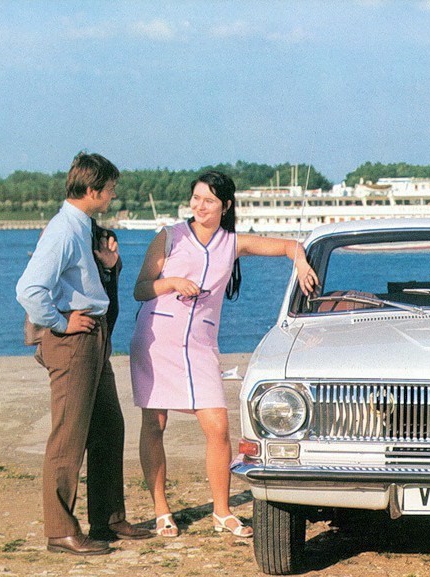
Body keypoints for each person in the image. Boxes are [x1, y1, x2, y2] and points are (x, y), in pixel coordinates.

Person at [130, 170, 318, 538]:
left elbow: (289, 245)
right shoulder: (169, 236)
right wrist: (171, 283)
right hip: (157, 341)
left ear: (225, 206)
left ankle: (222, 511)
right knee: (155, 425)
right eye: (197, 198)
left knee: (218, 427)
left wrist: (301, 262)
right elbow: (140, 290)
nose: (200, 206)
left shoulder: (231, 243)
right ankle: (161, 510)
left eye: (209, 201)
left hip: (199, 345)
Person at [16, 152, 151, 556]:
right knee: (68, 437)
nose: (112, 197)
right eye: (109, 191)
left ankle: (108, 519)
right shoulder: (63, 231)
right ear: (92, 190)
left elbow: (86, 282)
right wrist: (59, 322)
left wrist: (110, 265)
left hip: (93, 337)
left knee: (109, 427)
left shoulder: (82, 228)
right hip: (74, 341)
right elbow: (28, 290)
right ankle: (60, 531)